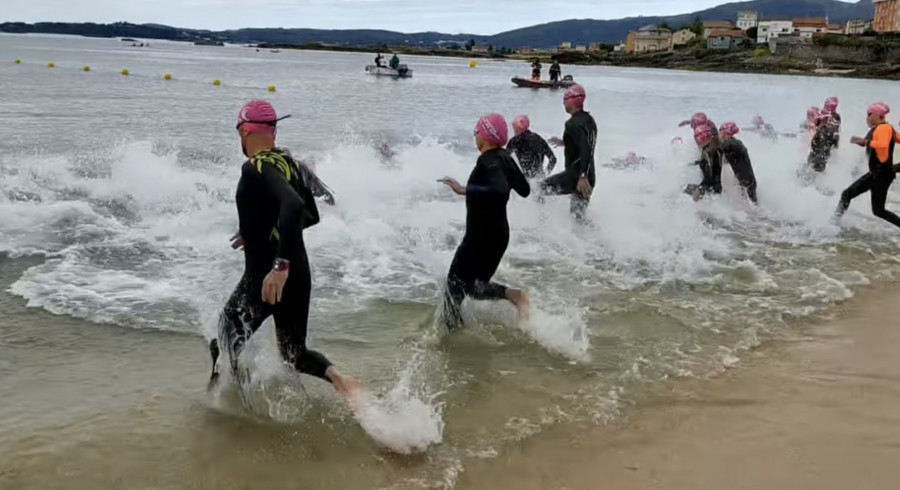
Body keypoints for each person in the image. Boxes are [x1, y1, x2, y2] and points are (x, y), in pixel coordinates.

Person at [207, 100, 361, 403]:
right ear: (273, 130)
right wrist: (255, 228)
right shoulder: (290, 162)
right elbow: (313, 212)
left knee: (224, 338)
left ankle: (228, 409)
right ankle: (341, 380)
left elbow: (292, 204)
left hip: (268, 277)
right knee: (295, 354)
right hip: (298, 272)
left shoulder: (255, 166)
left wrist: (278, 268)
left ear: (244, 130)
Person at [438, 113, 531, 331]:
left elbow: (498, 189)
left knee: (453, 287)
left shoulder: (487, 161)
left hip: (480, 237)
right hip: (498, 235)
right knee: (473, 287)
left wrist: (464, 189)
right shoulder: (505, 157)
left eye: (476, 131)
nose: (475, 135)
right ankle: (513, 295)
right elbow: (525, 190)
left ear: (486, 135)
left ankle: (451, 339)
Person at [834, 102, 900, 229]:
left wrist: (865, 141)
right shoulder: (884, 129)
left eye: (870, 114)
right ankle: (834, 222)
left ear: (878, 115)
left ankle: (833, 223)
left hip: (880, 174)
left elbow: (882, 144)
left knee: (847, 194)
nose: (867, 118)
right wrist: (862, 142)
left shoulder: (884, 128)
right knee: (878, 210)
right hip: (880, 174)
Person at [540, 84, 597, 222]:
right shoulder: (589, 120)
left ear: (573, 100)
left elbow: (585, 148)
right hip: (590, 176)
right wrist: (566, 142)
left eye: (565, 99)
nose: (563, 102)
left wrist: (582, 176)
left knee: (539, 189)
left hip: (577, 177)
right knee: (578, 219)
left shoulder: (572, 124)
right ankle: (589, 240)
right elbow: (584, 141)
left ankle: (539, 225)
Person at [718, 122, 758, 204]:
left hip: (745, 183)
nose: (718, 133)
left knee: (751, 208)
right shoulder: (737, 143)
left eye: (720, 131)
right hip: (748, 182)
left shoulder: (729, 144)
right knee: (753, 206)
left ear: (725, 132)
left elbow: (718, 152)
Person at [684, 123, 722, 201]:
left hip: (714, 189)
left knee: (685, 189)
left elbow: (710, 178)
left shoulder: (709, 153)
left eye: (697, 138)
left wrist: (700, 189)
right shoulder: (713, 148)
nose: (696, 141)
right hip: (716, 186)